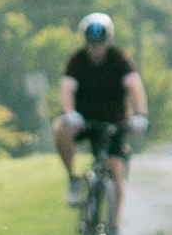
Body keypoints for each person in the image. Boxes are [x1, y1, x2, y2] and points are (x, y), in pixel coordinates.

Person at [60, 12, 142, 221]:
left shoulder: (119, 59)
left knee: (115, 172)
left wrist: (140, 114)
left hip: (114, 122)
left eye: (100, 42)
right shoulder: (77, 60)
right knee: (60, 129)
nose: (95, 47)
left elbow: (134, 85)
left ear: (108, 40)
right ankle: (73, 179)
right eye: (91, 42)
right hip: (84, 121)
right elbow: (67, 87)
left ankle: (115, 229)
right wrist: (69, 113)